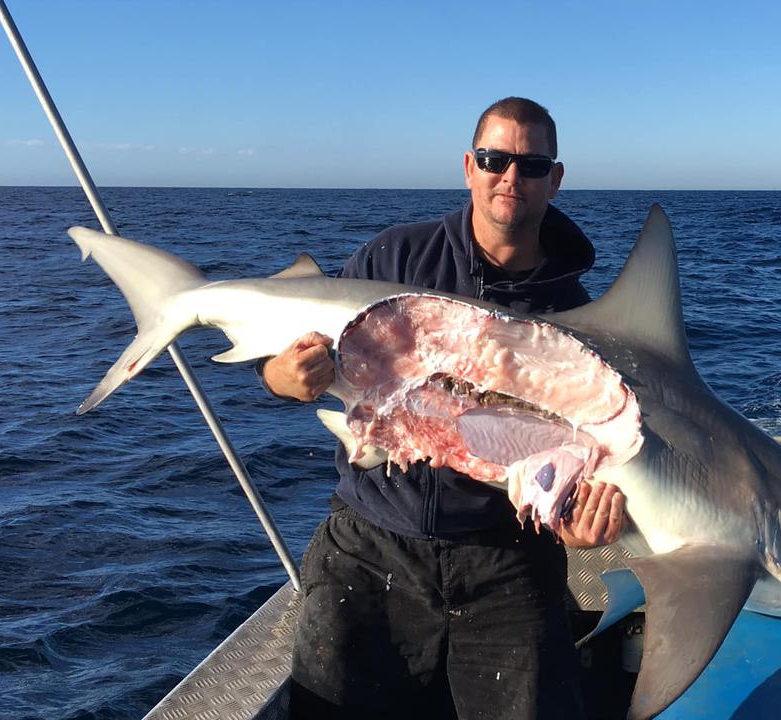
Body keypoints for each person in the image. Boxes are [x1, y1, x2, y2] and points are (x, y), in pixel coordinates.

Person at [261, 97, 626, 719]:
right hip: (370, 542)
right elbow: (282, 365)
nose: (511, 177)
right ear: (469, 165)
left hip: (507, 559)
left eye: (532, 165)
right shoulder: (392, 261)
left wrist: (582, 521)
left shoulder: (578, 325)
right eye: (495, 158)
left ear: (555, 179)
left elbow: (589, 460)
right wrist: (284, 378)